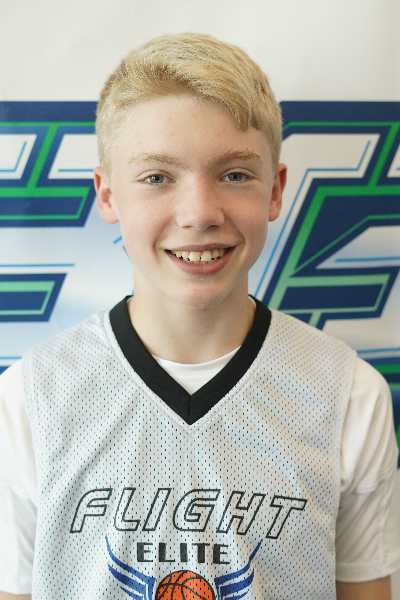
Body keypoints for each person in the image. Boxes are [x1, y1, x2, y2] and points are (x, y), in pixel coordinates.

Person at [0, 33, 399, 600]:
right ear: (107, 195)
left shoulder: (349, 396)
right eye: (157, 177)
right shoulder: (30, 399)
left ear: (275, 190)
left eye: (234, 174)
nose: (199, 214)